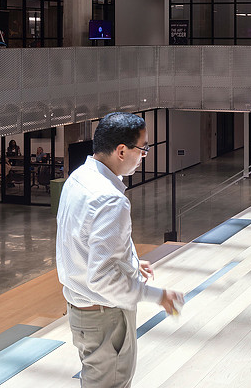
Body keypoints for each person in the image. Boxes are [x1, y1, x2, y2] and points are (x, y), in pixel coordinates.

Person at [56, 112, 183, 387]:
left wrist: (130, 263)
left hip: (81, 310)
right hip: (105, 317)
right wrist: (157, 296)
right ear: (122, 151)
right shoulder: (110, 199)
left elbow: (82, 242)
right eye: (144, 148)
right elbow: (102, 278)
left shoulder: (77, 179)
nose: (145, 155)